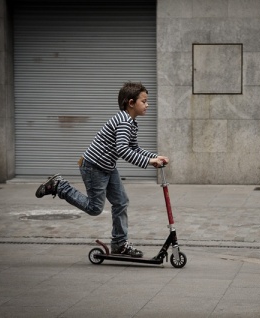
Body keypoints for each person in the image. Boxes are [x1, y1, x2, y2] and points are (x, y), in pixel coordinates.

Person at [35, 82, 168, 257]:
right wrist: (149, 162)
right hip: (93, 167)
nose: (147, 104)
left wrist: (154, 157)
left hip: (107, 167)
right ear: (131, 103)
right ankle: (60, 186)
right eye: (144, 101)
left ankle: (119, 244)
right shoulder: (124, 122)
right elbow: (123, 150)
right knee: (94, 208)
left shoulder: (131, 122)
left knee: (121, 202)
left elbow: (134, 148)